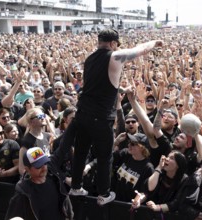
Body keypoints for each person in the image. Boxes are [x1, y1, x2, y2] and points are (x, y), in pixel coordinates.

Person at [68, 28, 163, 206]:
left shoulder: (89, 59)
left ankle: (75, 186)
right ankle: (104, 194)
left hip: (82, 114)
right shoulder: (114, 56)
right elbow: (140, 49)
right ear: (113, 43)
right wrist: (154, 43)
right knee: (105, 156)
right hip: (101, 117)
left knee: (81, 152)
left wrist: (122, 90)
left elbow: (98, 86)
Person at [5, 147, 74, 220]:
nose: (44, 168)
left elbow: (66, 206)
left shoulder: (55, 180)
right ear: (27, 169)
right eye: (39, 166)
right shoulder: (23, 192)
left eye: (45, 163)